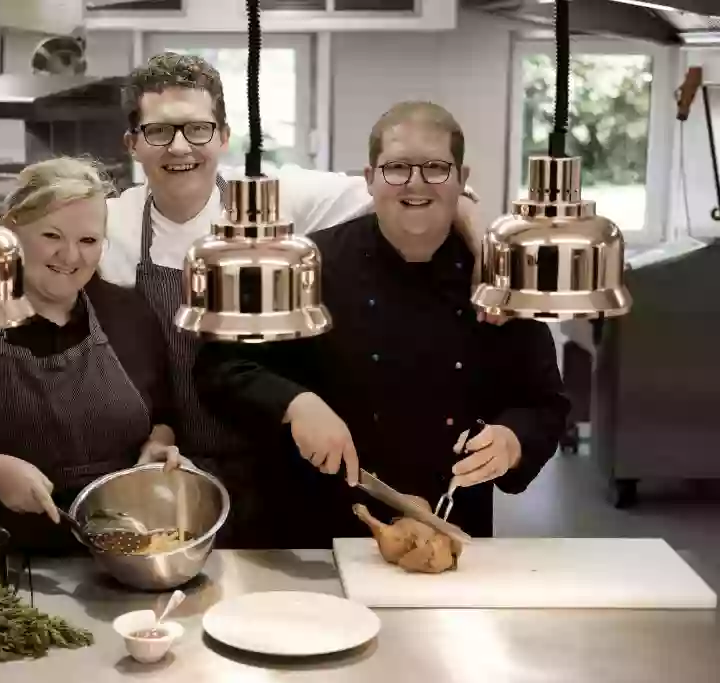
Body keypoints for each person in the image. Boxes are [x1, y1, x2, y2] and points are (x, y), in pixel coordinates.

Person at [97, 52, 484, 548]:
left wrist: (478, 238)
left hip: (271, 465)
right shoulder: (112, 223)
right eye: (159, 132)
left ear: (223, 136)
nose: (180, 148)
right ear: (132, 143)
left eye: (197, 129)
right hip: (170, 464)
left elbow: (416, 187)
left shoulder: (278, 201)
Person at [194, 102, 570, 545]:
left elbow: (545, 403)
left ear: (462, 180)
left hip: (448, 529)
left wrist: (513, 440)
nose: (415, 183)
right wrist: (294, 403)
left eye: (435, 168)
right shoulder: (306, 265)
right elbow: (221, 366)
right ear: (370, 179)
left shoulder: (497, 280)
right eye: (396, 168)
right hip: (317, 529)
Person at [0, 157, 186, 555]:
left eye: (89, 241)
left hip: (123, 552)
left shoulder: (129, 314)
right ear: (11, 231)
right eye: (52, 236)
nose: (71, 256)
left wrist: (157, 449)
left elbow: (163, 418)